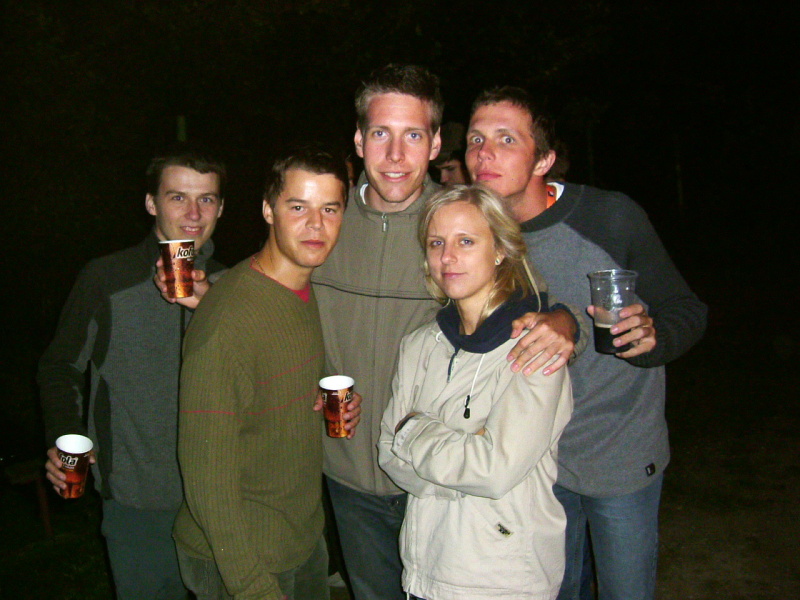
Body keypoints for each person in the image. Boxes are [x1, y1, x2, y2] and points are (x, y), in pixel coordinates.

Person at [311, 64, 580, 600]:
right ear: (359, 140)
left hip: (449, 494)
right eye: (380, 133)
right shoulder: (326, 224)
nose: (395, 155)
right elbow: (274, 284)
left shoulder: (455, 219)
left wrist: (566, 320)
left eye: (413, 135)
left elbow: (530, 300)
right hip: (351, 475)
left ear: (436, 144)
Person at [466, 86, 708, 600]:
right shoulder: (473, 233)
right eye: (476, 139)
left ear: (544, 160)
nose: (484, 153)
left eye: (506, 140)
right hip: (534, 461)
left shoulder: (609, 217)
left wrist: (654, 337)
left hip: (618, 453)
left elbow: (687, 310)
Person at [38, 143, 227, 599]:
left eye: (206, 198)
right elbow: (59, 365)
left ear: (221, 208)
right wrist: (64, 437)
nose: (194, 213)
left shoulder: (235, 285)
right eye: (177, 197)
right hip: (138, 501)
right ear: (151, 203)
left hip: (220, 499)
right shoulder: (107, 278)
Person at [172, 144, 361, 600]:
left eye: (329, 208)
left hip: (301, 539)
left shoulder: (305, 292)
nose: (315, 224)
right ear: (268, 210)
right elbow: (206, 479)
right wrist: (253, 587)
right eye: (298, 207)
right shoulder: (228, 321)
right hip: (240, 560)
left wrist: (331, 402)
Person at [378, 185, 574, 600]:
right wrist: (464, 462)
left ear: (500, 249)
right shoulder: (420, 344)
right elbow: (389, 455)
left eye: (466, 241)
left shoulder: (536, 345)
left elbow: (494, 470)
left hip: (503, 577)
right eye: (436, 243)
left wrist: (413, 431)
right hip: (424, 569)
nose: (447, 257)